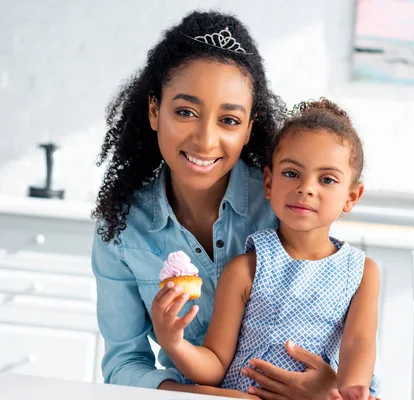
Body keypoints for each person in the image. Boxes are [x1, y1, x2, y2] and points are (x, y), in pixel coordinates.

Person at [92, 10, 343, 399]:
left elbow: (336, 322)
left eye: (228, 120)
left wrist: (330, 386)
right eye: (186, 112)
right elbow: (123, 363)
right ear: (155, 111)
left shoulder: (286, 205)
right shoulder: (123, 230)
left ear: (248, 127)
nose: (206, 140)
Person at [151, 98, 381, 400]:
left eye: (326, 179)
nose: (306, 188)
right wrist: (173, 342)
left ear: (352, 196)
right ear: (269, 182)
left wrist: (353, 389)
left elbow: (359, 342)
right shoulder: (246, 269)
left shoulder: (362, 272)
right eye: (291, 173)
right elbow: (215, 366)